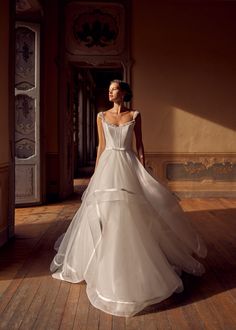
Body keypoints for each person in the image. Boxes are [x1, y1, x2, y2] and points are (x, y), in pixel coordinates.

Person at [50, 80, 207, 317]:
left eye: (115, 89)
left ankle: (132, 259)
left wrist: (142, 171)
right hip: (108, 167)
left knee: (131, 213)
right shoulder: (101, 116)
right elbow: (101, 148)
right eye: (109, 89)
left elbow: (140, 145)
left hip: (129, 166)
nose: (110, 92)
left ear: (124, 92)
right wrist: (95, 176)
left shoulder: (135, 114)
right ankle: (99, 262)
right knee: (103, 214)